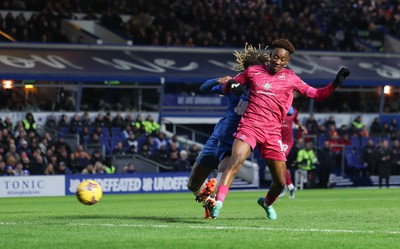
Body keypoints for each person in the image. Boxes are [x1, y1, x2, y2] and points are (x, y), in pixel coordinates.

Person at [208, 39, 350, 220]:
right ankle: (218, 204)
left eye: (282, 59)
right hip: (250, 126)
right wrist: (231, 85)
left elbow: (316, 94)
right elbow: (231, 84)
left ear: (286, 62)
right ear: (270, 56)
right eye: (275, 56)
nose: (277, 61)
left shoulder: (291, 78)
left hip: (272, 133)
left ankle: (266, 203)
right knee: (235, 162)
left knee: (280, 182)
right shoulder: (253, 71)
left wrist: (335, 83)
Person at [187, 44, 269, 218]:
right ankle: (207, 201)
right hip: (216, 138)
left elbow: (290, 110)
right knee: (193, 185)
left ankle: (215, 201)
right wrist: (219, 80)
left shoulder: (264, 93)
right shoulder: (235, 87)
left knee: (224, 169)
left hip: (236, 141)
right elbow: (203, 88)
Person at [279, 107, 307, 198]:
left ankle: (284, 186)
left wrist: (301, 128)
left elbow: (297, 122)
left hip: (287, 141)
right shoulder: (276, 109)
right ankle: (290, 186)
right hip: (277, 139)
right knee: (278, 164)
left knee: (280, 162)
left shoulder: (294, 112)